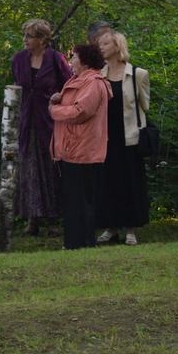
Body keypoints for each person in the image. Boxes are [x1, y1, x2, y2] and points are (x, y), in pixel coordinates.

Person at [12, 18, 72, 236]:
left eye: (29, 36)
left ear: (42, 39)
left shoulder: (56, 59)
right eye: (25, 36)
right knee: (28, 167)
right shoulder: (18, 59)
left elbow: (70, 85)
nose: (25, 40)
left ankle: (55, 218)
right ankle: (31, 217)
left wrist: (59, 101)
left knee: (51, 167)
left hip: (50, 121)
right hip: (27, 121)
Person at [49, 43, 111, 250]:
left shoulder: (93, 83)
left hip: (84, 151)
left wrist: (54, 110)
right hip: (72, 150)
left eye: (73, 57)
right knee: (73, 201)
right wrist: (57, 99)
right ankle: (74, 243)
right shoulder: (78, 80)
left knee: (82, 201)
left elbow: (80, 111)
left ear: (84, 60)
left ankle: (83, 243)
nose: (70, 61)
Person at [95, 32, 150, 246]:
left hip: (129, 137)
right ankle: (110, 227)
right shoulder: (98, 75)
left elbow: (144, 105)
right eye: (100, 44)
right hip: (104, 137)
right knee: (107, 182)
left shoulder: (137, 74)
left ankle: (130, 229)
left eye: (105, 43)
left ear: (118, 46)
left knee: (130, 182)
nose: (101, 47)